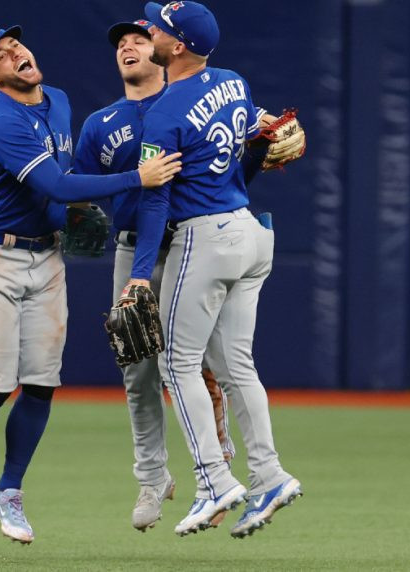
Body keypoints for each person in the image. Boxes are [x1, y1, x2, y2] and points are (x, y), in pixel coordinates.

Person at [0, 25, 182, 545]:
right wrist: (139, 178)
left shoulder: (59, 101)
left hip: (45, 256)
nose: (16, 52)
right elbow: (59, 186)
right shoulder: (0, 124)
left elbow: (64, 190)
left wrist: (73, 220)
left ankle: (8, 489)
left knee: (43, 383)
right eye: (2, 54)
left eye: (17, 44)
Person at [73, 18, 273, 532]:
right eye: (121, 42)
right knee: (138, 370)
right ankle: (153, 476)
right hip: (136, 247)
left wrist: (260, 149)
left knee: (201, 362)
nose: (130, 45)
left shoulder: (186, 102)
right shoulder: (101, 124)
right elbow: (78, 191)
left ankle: (218, 467)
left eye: (141, 37)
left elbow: (228, 177)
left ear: (164, 48)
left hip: (192, 243)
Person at [122, 1, 302, 538]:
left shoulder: (165, 111)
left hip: (205, 237)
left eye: (157, 27)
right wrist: (269, 143)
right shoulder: (235, 82)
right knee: (235, 365)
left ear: (176, 46)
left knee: (177, 364)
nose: (148, 30)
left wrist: (137, 272)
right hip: (249, 230)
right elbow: (252, 152)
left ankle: (213, 481)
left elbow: (156, 199)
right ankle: (269, 474)